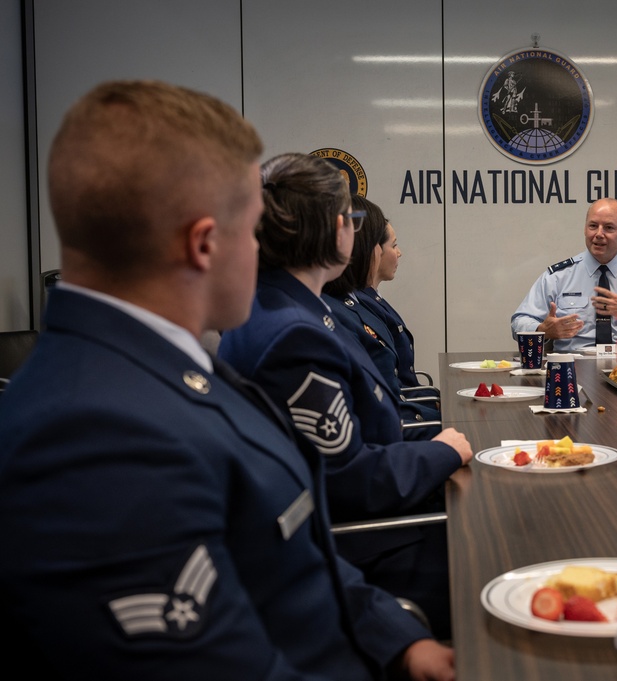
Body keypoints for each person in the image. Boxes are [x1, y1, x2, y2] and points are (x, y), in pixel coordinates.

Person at [0, 80, 454, 679]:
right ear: (206, 244)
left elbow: (291, 547)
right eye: (256, 230)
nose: (268, 252)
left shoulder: (171, 364)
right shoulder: (90, 437)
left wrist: (397, 639)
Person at [218, 153, 470, 640]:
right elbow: (347, 481)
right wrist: (440, 453)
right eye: (352, 220)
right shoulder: (294, 332)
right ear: (336, 230)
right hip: (363, 547)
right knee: (494, 550)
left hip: (368, 521)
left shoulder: (291, 307)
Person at [323, 194, 441, 427]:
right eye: (392, 245)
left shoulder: (354, 303)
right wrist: (443, 422)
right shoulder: (338, 310)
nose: (398, 253)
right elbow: (380, 409)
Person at [510, 197, 617, 352]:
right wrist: (542, 330)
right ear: (585, 228)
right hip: (572, 368)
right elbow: (519, 322)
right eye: (593, 226)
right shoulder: (558, 277)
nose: (599, 234)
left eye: (608, 227)